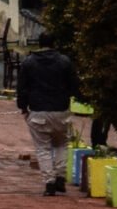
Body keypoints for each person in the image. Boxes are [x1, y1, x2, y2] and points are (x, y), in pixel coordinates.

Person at [15, 41, 79, 196]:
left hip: (38, 111)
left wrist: (23, 107)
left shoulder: (29, 63)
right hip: (61, 110)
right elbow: (74, 85)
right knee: (62, 145)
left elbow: (22, 88)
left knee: (43, 149)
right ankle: (61, 177)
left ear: (39, 44)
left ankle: (49, 182)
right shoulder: (64, 61)